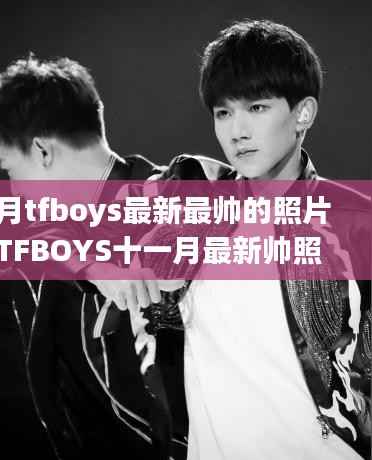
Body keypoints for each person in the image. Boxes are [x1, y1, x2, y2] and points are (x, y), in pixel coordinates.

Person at [0, 55, 187, 460]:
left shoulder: (183, 194)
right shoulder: (39, 261)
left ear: (41, 150)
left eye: (10, 170)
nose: (13, 192)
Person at [134, 19, 370, 460]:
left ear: (303, 114)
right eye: (223, 113)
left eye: (257, 108)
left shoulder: (356, 225)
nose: (236, 131)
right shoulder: (194, 207)